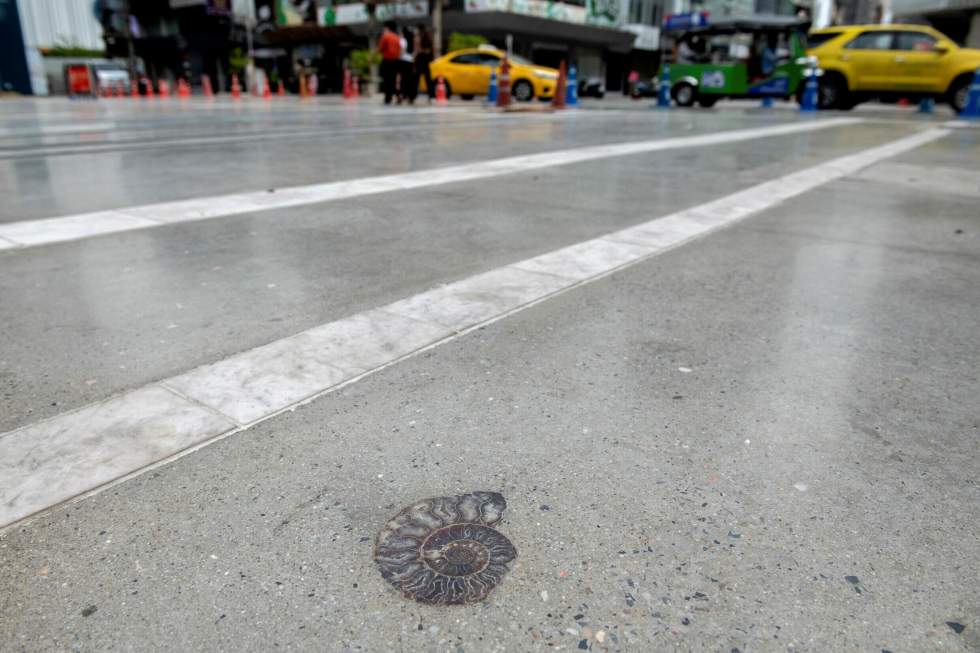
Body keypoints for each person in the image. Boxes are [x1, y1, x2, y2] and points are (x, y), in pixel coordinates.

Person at [378, 20, 401, 104]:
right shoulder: (397, 37)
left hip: (387, 60)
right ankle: (398, 95)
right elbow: (400, 49)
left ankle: (388, 97)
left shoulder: (385, 36)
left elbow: (381, 49)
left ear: (387, 27)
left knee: (386, 79)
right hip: (396, 61)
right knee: (394, 79)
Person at [398, 26, 417, 104]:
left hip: (404, 60)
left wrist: (399, 57)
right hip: (411, 60)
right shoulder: (412, 39)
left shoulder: (403, 40)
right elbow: (415, 51)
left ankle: (403, 95)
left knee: (403, 79)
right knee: (410, 79)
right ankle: (411, 96)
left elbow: (402, 50)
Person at [415, 27, 434, 103]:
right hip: (426, 61)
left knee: (416, 79)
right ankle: (431, 95)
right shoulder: (428, 40)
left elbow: (418, 50)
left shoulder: (419, 39)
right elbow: (429, 51)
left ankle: (413, 95)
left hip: (420, 61)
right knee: (428, 80)